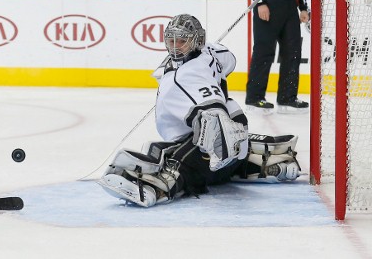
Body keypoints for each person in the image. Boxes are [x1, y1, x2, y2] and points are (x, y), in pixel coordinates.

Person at [98, 14, 301, 208]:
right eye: (172, 40)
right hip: (231, 157)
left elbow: (213, 114)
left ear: (196, 41)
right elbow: (229, 59)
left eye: (182, 41)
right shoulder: (214, 52)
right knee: (230, 112)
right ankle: (266, 161)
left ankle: (160, 186)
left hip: (208, 161)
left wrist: (215, 143)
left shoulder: (184, 76)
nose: (175, 46)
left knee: (172, 153)